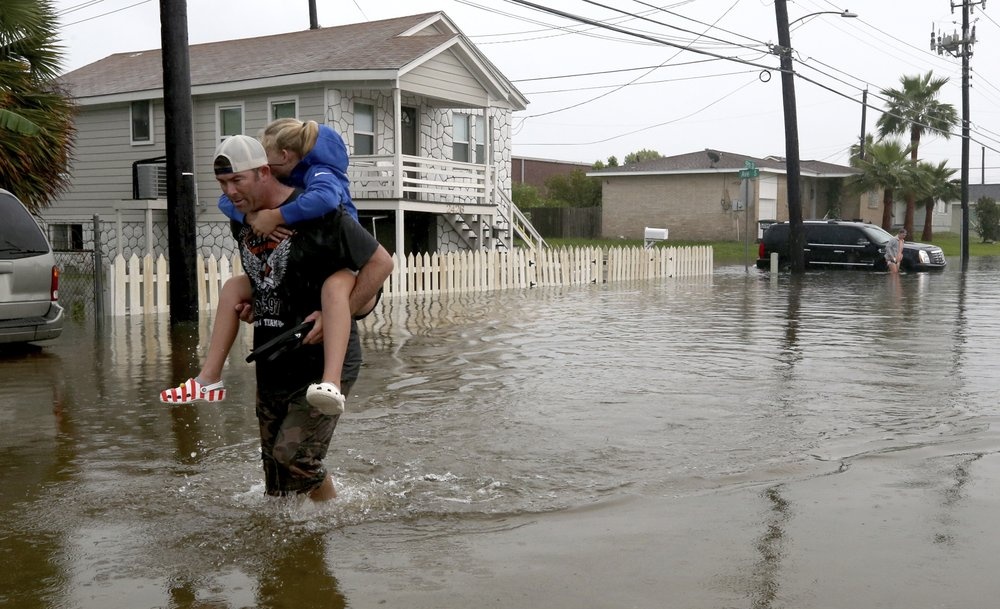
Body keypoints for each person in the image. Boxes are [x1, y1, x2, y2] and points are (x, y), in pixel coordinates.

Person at [213, 134, 392, 500]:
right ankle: (289, 548)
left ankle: (331, 519)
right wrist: (255, 306)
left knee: (296, 457)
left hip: (323, 359)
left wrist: (338, 311)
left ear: (264, 171)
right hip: (273, 356)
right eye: (223, 184)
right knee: (275, 480)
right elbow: (271, 276)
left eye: (237, 181)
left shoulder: (321, 210)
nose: (229, 191)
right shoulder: (242, 218)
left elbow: (381, 264)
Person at [160, 119, 360, 413]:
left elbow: (327, 200)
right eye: (224, 183)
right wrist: (252, 218)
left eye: (266, 157)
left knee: (334, 289)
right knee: (233, 287)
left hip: (345, 265)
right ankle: (209, 377)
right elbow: (225, 203)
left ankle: (332, 382)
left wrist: (278, 216)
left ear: (284, 156)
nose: (229, 190)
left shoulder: (321, 176)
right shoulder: (291, 180)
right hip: (284, 337)